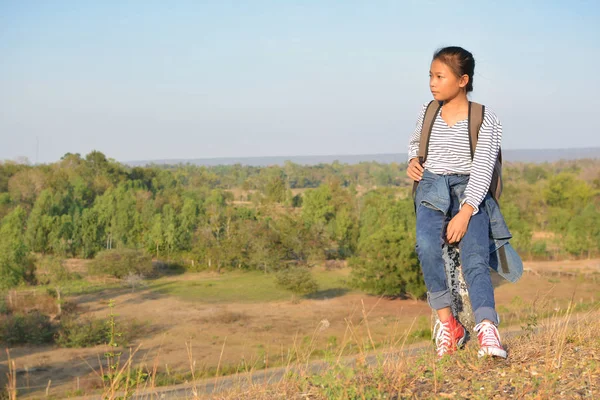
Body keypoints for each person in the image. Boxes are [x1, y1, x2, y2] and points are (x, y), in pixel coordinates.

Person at [407, 46, 507, 359]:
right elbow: (415, 141)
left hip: (470, 190)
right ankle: (449, 326)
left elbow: (483, 168)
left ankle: (488, 329)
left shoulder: (484, 117)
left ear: (462, 80)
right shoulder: (428, 110)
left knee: (474, 256)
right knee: (426, 246)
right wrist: (412, 159)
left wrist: (465, 212)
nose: (432, 82)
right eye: (430, 76)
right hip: (432, 186)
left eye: (440, 76)